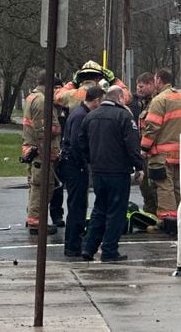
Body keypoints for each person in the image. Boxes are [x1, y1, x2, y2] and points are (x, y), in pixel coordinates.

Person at [77, 86, 143, 262]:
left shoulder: (90, 116)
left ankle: (89, 247)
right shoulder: (124, 116)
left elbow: (81, 141)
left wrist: (91, 159)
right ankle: (109, 250)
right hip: (118, 171)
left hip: (98, 171)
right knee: (116, 211)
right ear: (120, 98)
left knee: (99, 209)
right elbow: (132, 145)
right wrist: (139, 166)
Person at [140, 68, 181, 215]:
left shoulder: (159, 100)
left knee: (164, 187)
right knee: (178, 187)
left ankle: (167, 219)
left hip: (162, 154)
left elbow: (152, 128)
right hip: (180, 153)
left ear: (158, 80)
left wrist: (144, 148)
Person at [59, 86, 104, 257]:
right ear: (97, 100)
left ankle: (74, 243)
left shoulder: (78, 113)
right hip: (74, 165)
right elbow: (78, 144)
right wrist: (86, 161)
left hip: (73, 163)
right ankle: (73, 245)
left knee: (77, 205)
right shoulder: (81, 116)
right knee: (77, 206)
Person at [22, 71, 60, 234]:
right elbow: (43, 131)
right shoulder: (42, 101)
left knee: (37, 185)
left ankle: (33, 217)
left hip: (34, 150)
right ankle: (36, 222)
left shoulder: (33, 97)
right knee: (42, 186)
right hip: (41, 152)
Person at [55, 60, 130, 111]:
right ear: (99, 78)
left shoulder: (72, 94)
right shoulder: (106, 95)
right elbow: (126, 97)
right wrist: (113, 81)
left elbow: (58, 97)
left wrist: (73, 83)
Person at [132, 72, 158, 215]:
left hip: (152, 150)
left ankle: (156, 213)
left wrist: (144, 147)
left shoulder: (156, 102)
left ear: (150, 84)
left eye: (141, 86)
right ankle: (149, 212)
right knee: (144, 185)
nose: (138, 89)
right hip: (144, 150)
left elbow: (152, 127)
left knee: (153, 185)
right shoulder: (142, 102)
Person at [49, 77, 67, 228]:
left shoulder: (66, 108)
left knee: (59, 186)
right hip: (49, 151)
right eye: (54, 88)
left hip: (64, 150)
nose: (57, 91)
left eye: (59, 88)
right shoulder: (47, 107)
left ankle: (57, 215)